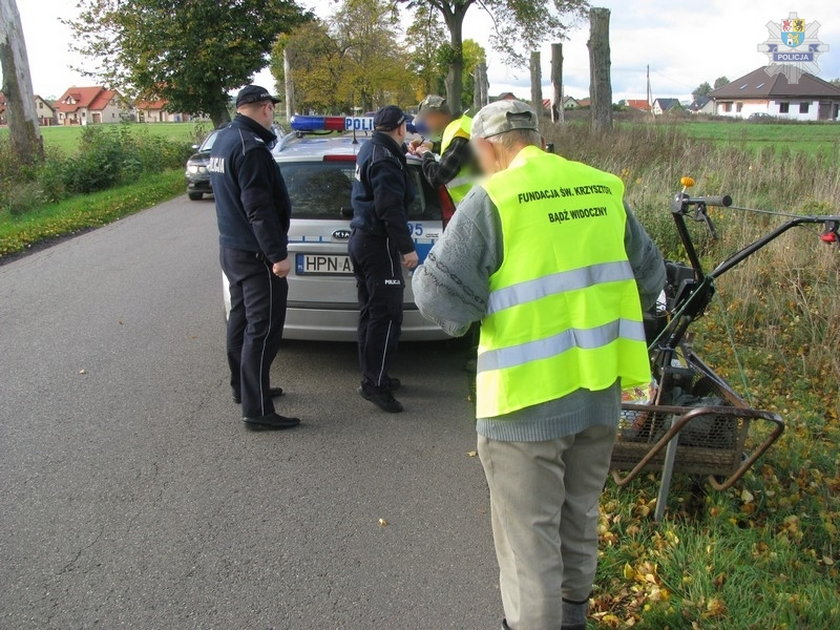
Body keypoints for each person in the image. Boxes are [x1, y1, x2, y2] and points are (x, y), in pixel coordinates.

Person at [412, 100, 665, 630]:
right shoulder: (602, 186)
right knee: (579, 519)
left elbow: (437, 297)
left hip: (523, 405)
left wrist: (484, 310)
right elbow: (649, 277)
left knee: (529, 542)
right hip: (599, 392)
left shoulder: (495, 198)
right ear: (537, 136)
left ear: (484, 147)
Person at [209, 85, 300, 431]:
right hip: (257, 253)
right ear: (263, 108)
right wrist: (277, 255)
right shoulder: (252, 149)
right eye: (271, 109)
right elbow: (259, 209)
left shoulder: (224, 139)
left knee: (241, 321)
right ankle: (257, 410)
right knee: (263, 329)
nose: (272, 115)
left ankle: (244, 389)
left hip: (231, 248)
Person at [349, 105, 418, 413]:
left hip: (364, 240)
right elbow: (390, 209)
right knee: (386, 316)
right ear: (400, 127)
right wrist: (407, 249)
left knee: (371, 313)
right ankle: (374, 385)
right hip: (380, 244)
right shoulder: (385, 159)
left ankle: (374, 376)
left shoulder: (370, 147)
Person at [408, 95, 476, 204]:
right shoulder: (462, 124)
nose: (426, 125)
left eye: (425, 120)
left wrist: (426, 154)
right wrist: (430, 145)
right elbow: (453, 149)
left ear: (434, 116)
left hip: (473, 203)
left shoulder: (459, 135)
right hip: (475, 200)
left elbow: (437, 177)